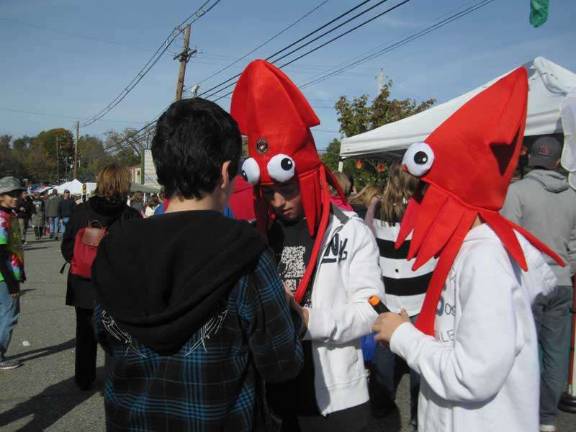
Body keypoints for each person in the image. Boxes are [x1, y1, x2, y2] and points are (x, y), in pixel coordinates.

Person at [92, 98, 303, 431]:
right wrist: (295, 317)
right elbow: (281, 363)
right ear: (224, 172)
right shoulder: (244, 252)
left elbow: (103, 335)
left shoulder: (115, 247)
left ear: (162, 167)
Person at [372, 68, 564, 432]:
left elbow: (472, 375)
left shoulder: (484, 260)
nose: (415, 206)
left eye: (423, 193)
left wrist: (403, 336)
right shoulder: (466, 251)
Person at [231, 60, 383, 432]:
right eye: (268, 192)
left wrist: (307, 321)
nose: (278, 201)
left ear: (310, 178)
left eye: (287, 188)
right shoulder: (257, 237)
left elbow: (373, 309)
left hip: (336, 402)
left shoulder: (350, 233)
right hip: (273, 399)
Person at [501, 135, 576, 432]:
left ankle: (524, 412)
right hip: (561, 281)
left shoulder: (516, 192)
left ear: (530, 158)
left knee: (525, 349)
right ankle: (546, 417)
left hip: (526, 281)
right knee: (556, 351)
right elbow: (574, 244)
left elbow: (507, 241)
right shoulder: (572, 195)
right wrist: (565, 268)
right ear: (558, 161)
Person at [364, 162, 436, 430]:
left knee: (384, 359)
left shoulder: (377, 209)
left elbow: (369, 240)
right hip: (421, 297)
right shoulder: (428, 211)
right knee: (419, 362)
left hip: (389, 298)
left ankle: (381, 410)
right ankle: (419, 417)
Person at [61, 165, 141, 391]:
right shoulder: (131, 216)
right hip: (116, 286)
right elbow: (139, 255)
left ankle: (83, 378)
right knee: (116, 335)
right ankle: (114, 380)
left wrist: (82, 260)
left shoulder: (81, 212)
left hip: (83, 284)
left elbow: (67, 247)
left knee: (84, 334)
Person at [0, 176, 26, 370]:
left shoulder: (10, 215)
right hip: (4, 277)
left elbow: (14, 249)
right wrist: (12, 282)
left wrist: (21, 272)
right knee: (10, 316)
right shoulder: (2, 218)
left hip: (9, 274)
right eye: (11, 194)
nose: (16, 197)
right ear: (1, 196)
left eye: (18, 193)